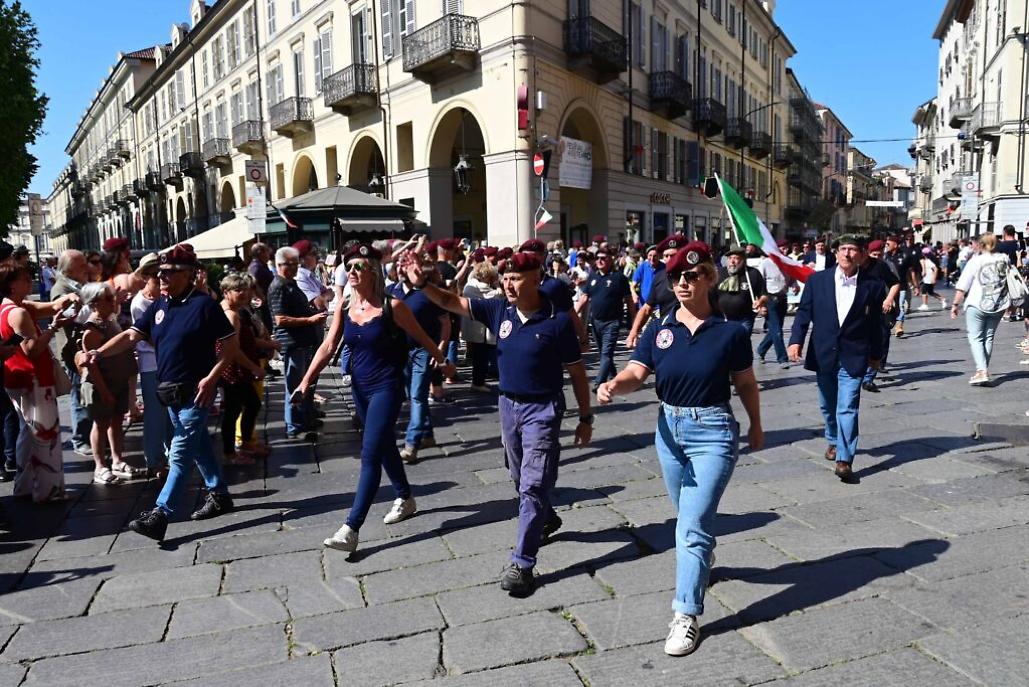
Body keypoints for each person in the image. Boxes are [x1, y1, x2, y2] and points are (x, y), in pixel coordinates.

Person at [597, 242, 762, 657]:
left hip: (714, 433)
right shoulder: (659, 330)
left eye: (691, 275)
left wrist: (756, 424)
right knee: (689, 520)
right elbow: (638, 371)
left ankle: (685, 615)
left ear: (709, 277)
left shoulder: (731, 332)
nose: (682, 283)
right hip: (668, 430)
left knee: (689, 527)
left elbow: (745, 383)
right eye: (675, 278)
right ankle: (702, 558)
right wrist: (616, 384)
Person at [419, 251, 593, 597]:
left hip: (542, 409)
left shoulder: (557, 322)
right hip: (507, 405)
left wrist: (585, 418)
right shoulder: (500, 310)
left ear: (535, 277)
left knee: (532, 483)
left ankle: (523, 563)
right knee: (518, 476)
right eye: (505, 277)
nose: (507, 283)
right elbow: (451, 302)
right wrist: (423, 284)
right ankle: (547, 516)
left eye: (515, 277)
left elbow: (576, 372)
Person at [300, 244, 455, 553]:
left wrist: (443, 360)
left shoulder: (392, 306)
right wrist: (306, 380)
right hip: (359, 388)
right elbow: (329, 346)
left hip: (387, 387)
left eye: (359, 266)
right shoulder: (344, 305)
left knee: (370, 455)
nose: (352, 272)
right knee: (383, 446)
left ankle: (351, 528)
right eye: (349, 267)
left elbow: (422, 337)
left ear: (372, 271)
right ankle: (406, 497)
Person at [80, 246, 239, 541]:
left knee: (179, 454)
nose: (161, 277)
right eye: (159, 273)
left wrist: (211, 378)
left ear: (188, 274)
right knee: (199, 444)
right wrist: (98, 353)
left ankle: (160, 514)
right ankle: (219, 495)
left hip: (196, 392)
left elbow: (230, 346)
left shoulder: (204, 305)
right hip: (169, 393)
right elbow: (130, 336)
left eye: (168, 272)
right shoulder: (159, 306)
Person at [788, 235, 884, 483]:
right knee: (827, 405)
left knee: (848, 407)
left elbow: (877, 324)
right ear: (836, 252)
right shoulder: (817, 281)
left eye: (853, 250)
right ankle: (832, 438)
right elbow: (804, 313)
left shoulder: (872, 285)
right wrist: (795, 340)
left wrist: (876, 355)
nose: (847, 254)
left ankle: (844, 458)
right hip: (824, 353)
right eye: (843, 249)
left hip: (854, 354)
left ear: (862, 255)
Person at [0, 264, 78, 502]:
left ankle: (23, 486)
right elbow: (31, 350)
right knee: (46, 436)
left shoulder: (6, 307)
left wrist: (61, 305)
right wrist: (53, 328)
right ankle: (48, 490)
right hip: (33, 377)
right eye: (25, 279)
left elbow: (50, 307)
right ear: (12, 284)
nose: (30, 282)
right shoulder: (19, 313)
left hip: (15, 377)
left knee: (28, 432)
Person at [390, 249, 451, 463]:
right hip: (399, 352)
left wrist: (441, 349)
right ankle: (427, 434)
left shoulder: (427, 293)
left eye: (403, 264)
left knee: (417, 396)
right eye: (397, 264)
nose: (399, 267)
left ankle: (411, 443)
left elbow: (445, 323)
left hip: (423, 351)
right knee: (411, 395)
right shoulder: (391, 292)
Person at [78, 282, 142, 484]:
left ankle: (117, 460)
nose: (112, 301)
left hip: (117, 380)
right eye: (108, 298)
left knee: (116, 422)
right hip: (102, 384)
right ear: (95, 303)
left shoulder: (109, 320)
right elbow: (91, 366)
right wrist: (104, 391)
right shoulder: (93, 329)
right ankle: (100, 466)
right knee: (100, 424)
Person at [268, 246, 327, 440]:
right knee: (293, 386)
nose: (293, 268)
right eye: (288, 265)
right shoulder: (278, 286)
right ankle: (293, 426)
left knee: (301, 382)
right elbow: (280, 319)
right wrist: (309, 320)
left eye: (295, 264)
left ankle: (303, 418)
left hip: (301, 341)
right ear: (278, 265)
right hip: (291, 342)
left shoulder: (290, 283)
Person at [949, 233, 1011, 385]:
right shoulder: (1004, 258)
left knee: (976, 337)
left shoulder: (975, 261)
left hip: (977, 304)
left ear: (981, 245)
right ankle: (981, 370)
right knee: (988, 337)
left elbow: (963, 286)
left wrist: (955, 305)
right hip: (998, 304)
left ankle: (982, 371)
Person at [218, 273, 267, 464]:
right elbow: (233, 349)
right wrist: (254, 367)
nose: (244, 293)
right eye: (238, 290)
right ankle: (231, 453)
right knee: (233, 410)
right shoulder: (231, 315)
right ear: (226, 292)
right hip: (233, 369)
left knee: (249, 404)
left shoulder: (231, 311)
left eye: (245, 289)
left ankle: (245, 443)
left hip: (233, 367)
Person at [130, 254, 171, 475]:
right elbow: (147, 336)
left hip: (166, 360)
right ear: (147, 278)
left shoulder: (164, 298)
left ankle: (171, 455)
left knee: (170, 413)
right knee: (155, 414)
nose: (162, 282)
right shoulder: (140, 303)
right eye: (157, 278)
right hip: (151, 363)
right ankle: (154, 461)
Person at [50, 249, 92, 456]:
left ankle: (87, 436)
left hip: (83, 348)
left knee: (86, 393)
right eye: (82, 263)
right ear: (70, 268)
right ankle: (80, 439)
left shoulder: (77, 284)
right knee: (78, 396)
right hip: (72, 351)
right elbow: (66, 316)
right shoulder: (61, 288)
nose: (86, 267)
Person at [576, 249, 637, 388]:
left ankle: (599, 382)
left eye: (603, 258)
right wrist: (571, 315)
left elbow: (629, 300)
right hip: (596, 321)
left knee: (606, 353)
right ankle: (612, 375)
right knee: (602, 352)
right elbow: (584, 298)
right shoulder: (592, 277)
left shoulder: (619, 278)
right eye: (597, 258)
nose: (599, 261)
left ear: (610, 259)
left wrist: (634, 322)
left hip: (613, 322)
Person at [626, 235, 687, 348]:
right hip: (667, 335)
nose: (669, 259)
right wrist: (634, 332)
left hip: (690, 334)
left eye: (673, 255)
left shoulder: (693, 277)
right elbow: (646, 308)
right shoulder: (660, 277)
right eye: (666, 256)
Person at [859, 240, 901, 393]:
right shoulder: (853, 266)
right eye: (873, 254)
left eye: (879, 254)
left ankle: (869, 378)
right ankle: (860, 372)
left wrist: (890, 299)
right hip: (859, 310)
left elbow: (895, 283)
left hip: (881, 309)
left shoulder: (882, 266)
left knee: (881, 339)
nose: (877, 256)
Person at [462, 261, 502, 392]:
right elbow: (496, 296)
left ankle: (480, 380)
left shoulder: (470, 285)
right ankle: (478, 382)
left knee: (481, 356)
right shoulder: (478, 287)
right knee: (480, 356)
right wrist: (498, 287)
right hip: (480, 328)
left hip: (478, 327)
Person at [716, 246, 766, 337]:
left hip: (744, 319)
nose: (732, 261)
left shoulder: (753, 273)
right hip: (723, 318)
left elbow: (764, 294)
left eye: (736, 258)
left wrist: (759, 302)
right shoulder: (719, 273)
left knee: (742, 345)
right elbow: (710, 294)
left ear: (743, 260)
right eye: (730, 258)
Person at [755, 246, 791, 368]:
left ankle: (761, 349)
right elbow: (758, 284)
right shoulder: (765, 263)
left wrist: (795, 285)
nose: (784, 251)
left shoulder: (788, 262)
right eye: (781, 249)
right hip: (769, 299)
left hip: (782, 299)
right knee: (777, 332)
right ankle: (783, 359)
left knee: (775, 330)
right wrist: (761, 303)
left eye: (785, 249)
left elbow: (792, 278)